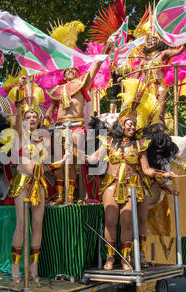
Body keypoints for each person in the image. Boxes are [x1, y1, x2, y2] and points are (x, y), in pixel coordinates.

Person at [85, 109, 177, 271]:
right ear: (121, 126)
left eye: (133, 125)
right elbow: (93, 158)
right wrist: (76, 153)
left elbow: (147, 170)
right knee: (110, 221)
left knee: (127, 221)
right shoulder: (109, 142)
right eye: (128, 124)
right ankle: (110, 257)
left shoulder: (139, 146)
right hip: (111, 184)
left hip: (131, 186)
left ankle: (125, 257)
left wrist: (164, 174)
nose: (131, 127)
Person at [43, 40, 113, 205]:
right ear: (63, 74)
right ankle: (61, 196)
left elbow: (94, 70)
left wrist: (102, 55)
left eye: (74, 70)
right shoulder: (58, 91)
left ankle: (73, 196)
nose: (72, 72)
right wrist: (45, 125)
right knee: (60, 164)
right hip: (59, 127)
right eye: (68, 70)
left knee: (74, 161)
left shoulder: (82, 84)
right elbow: (50, 110)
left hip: (76, 127)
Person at [7, 89, 65, 283]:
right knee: (22, 225)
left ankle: (34, 268)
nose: (31, 118)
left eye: (34, 116)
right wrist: (17, 103)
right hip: (22, 183)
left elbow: (43, 167)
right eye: (28, 116)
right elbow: (16, 119)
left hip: (38, 184)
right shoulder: (19, 135)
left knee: (38, 226)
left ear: (39, 120)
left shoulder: (42, 140)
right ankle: (16, 268)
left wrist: (60, 162)